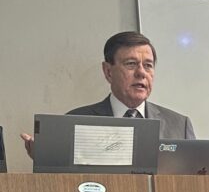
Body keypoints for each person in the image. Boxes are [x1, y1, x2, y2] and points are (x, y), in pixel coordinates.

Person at [22, 30, 195, 157]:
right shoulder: (75, 121)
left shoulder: (179, 125)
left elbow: (195, 178)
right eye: (131, 64)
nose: (142, 73)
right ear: (108, 71)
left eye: (148, 65)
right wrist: (46, 159)